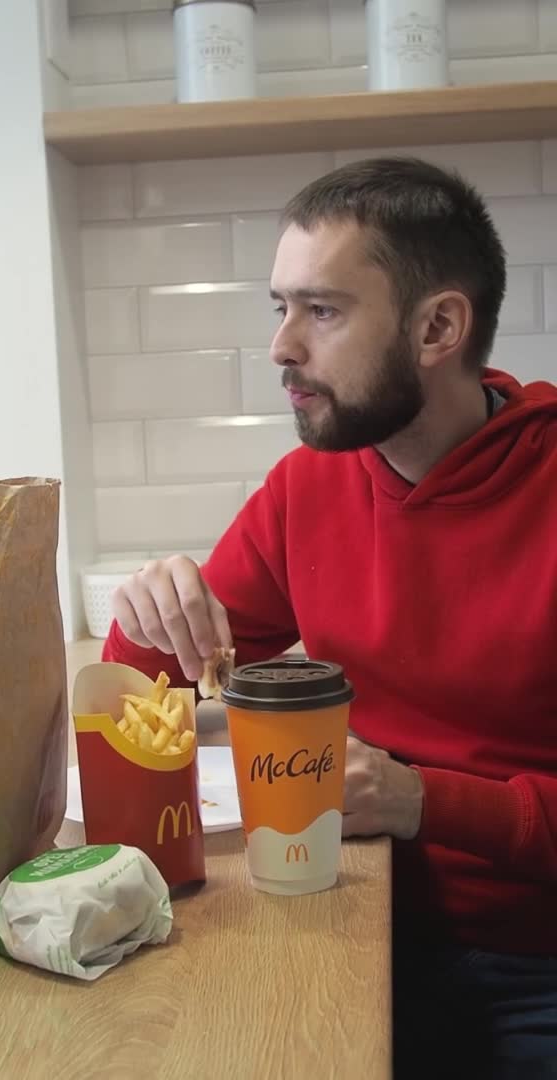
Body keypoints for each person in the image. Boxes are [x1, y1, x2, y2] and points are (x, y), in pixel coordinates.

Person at [103, 157, 557, 1077]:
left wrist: (424, 800)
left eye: (322, 311)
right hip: (349, 919)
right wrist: (152, 619)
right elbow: (139, 698)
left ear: (438, 327)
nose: (280, 347)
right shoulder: (309, 484)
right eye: (280, 307)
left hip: (533, 963)